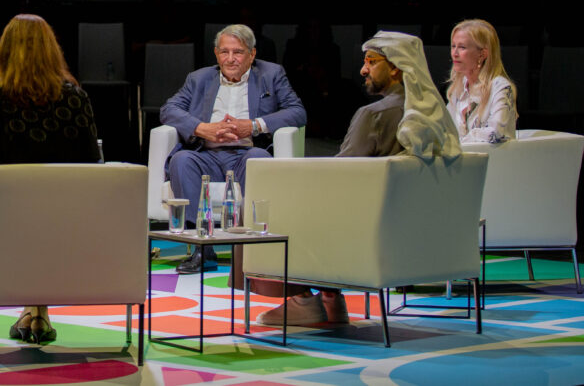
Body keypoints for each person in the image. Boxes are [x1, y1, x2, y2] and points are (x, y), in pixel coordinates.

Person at [254, 31, 461, 326]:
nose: (363, 69)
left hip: (366, 233)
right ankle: (331, 299)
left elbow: (340, 178)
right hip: (420, 233)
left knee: (275, 209)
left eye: (371, 62)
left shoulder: (374, 114)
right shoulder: (438, 117)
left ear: (395, 68)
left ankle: (304, 299)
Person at [0, 14, 101, 344]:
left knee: (23, 212)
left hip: (4, 217)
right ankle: (37, 311)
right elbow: (91, 160)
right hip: (66, 216)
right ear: (51, 51)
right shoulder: (75, 98)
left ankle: (34, 310)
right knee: (46, 214)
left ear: (5, 52)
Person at [160, 24, 306, 274]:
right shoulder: (199, 78)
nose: (230, 59)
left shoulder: (271, 74)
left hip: (246, 154)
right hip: (206, 156)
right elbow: (168, 110)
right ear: (216, 54)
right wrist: (201, 128)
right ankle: (202, 250)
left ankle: (256, 250)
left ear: (252, 54)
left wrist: (253, 126)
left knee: (259, 158)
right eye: (224, 52)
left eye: (238, 52)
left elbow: (297, 112)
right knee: (182, 160)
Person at [446, 19, 517, 143]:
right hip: (465, 160)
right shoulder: (458, 88)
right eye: (453, 46)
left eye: (462, 47)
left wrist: (461, 141)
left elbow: (496, 132)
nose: (454, 53)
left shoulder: (500, 86)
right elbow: (443, 128)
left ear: (482, 54)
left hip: (497, 160)